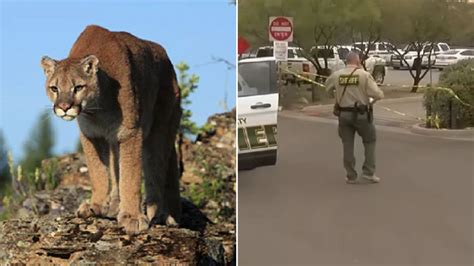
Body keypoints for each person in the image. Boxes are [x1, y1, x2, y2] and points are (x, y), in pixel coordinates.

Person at [325, 52, 384, 184]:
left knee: (347, 144)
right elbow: (379, 94)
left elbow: (326, 88)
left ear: (346, 61)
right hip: (362, 114)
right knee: (369, 141)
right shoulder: (364, 75)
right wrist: (370, 102)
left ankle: (351, 175)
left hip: (343, 115)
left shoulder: (337, 75)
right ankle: (368, 173)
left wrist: (337, 96)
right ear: (358, 61)